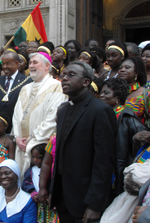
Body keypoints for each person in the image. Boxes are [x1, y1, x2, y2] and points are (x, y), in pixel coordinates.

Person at [50, 61, 117, 223]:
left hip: (85, 198)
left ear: (86, 81)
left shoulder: (101, 111)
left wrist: (95, 204)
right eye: (63, 75)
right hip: (63, 196)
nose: (64, 78)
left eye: (71, 75)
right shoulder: (64, 109)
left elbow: (104, 162)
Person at [13, 52, 66, 178]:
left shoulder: (57, 87)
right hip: (21, 144)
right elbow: (16, 115)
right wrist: (17, 137)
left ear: (47, 66)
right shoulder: (25, 88)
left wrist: (32, 137)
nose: (31, 65)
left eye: (35, 62)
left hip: (41, 145)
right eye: (30, 62)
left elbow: (53, 118)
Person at [99, 77, 146, 197]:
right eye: (101, 92)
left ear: (117, 98)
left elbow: (140, 146)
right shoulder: (103, 115)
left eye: (106, 93)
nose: (101, 96)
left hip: (120, 170)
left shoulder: (127, 117)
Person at [0, 50, 32, 132]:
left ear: (16, 63)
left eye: (8, 63)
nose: (4, 66)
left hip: (17, 128)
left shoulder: (27, 81)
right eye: (3, 63)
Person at [117, 56, 149, 124]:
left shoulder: (145, 94)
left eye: (127, 67)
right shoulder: (113, 91)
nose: (122, 70)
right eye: (120, 68)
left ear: (136, 72)